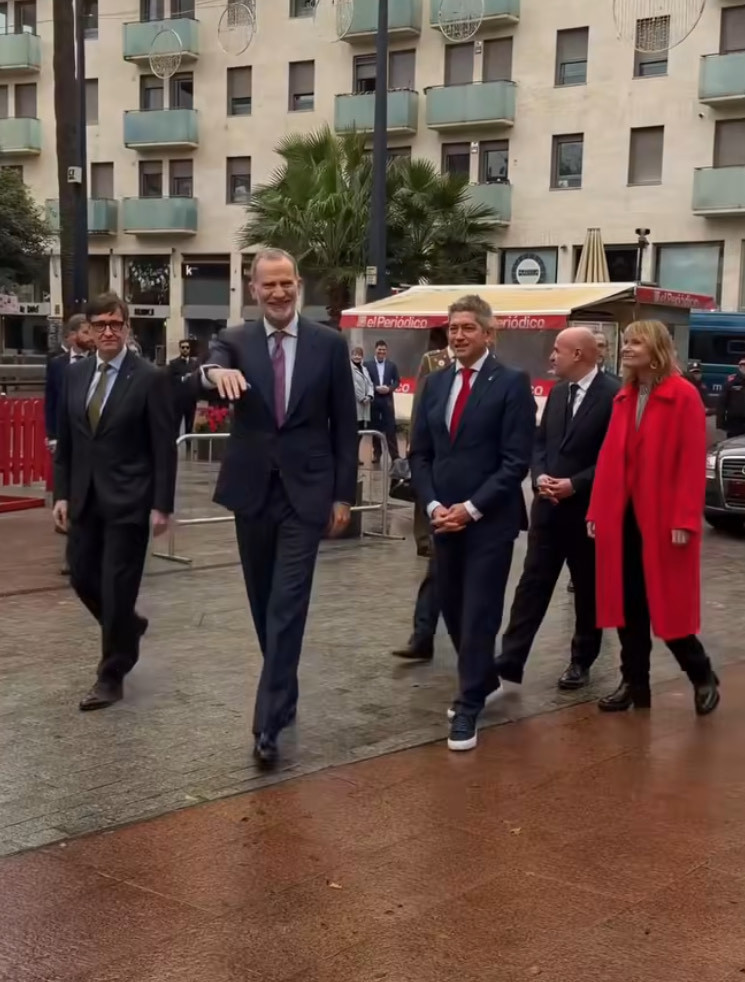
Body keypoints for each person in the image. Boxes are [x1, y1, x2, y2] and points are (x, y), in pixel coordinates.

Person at [199, 248, 357, 767]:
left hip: (306, 495)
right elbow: (210, 367)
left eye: (286, 282)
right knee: (262, 602)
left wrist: (343, 495)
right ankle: (284, 690)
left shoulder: (329, 344)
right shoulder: (235, 341)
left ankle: (266, 724)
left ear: (299, 285)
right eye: (268, 284)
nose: (278, 292)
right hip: (252, 493)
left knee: (287, 604)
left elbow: (344, 425)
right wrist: (214, 375)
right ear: (253, 289)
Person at [410, 294, 535, 752]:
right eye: (453, 328)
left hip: (489, 520)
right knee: (450, 605)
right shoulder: (436, 383)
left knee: (479, 610)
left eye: (467, 328)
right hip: (443, 519)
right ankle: (482, 678)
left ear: (488, 334)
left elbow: (515, 460)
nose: (458, 336)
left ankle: (467, 706)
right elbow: (420, 454)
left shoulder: (511, 383)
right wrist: (433, 506)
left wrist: (471, 508)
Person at [587, 319, 720, 716]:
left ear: (657, 349)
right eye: (626, 342)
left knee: (667, 603)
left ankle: (702, 674)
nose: (627, 348)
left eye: (636, 342)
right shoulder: (625, 395)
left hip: (663, 516)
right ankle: (634, 682)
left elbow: (691, 463)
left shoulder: (683, 395)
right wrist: (597, 510)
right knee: (627, 604)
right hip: (623, 514)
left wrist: (684, 519)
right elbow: (609, 458)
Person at [52, 292, 177, 711]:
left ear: (127, 328)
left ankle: (112, 674)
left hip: (130, 501)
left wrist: (162, 504)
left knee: (117, 587)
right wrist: (61, 494)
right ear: (88, 330)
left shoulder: (150, 378)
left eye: (116, 324)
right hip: (84, 499)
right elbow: (67, 442)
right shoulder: (75, 375)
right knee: (82, 577)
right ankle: (128, 626)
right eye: (100, 324)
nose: (108, 331)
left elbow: (164, 446)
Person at [495, 328, 620, 690]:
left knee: (588, 591)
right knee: (531, 585)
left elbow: (614, 458)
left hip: (587, 514)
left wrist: (575, 484)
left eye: (557, 350)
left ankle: (581, 661)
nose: (551, 357)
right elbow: (540, 442)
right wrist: (540, 477)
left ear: (578, 354)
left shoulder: (614, 395)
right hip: (548, 510)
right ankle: (509, 660)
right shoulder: (559, 391)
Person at [391, 335, 452, 660]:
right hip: (437, 462)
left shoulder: (496, 372)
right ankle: (423, 635)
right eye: (454, 328)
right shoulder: (434, 361)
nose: (459, 335)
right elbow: (420, 404)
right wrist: (415, 444)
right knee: (437, 566)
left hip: (473, 488)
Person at [364, 340, 400, 464]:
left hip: (387, 399)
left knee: (390, 427)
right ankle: (377, 454)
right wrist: (375, 388)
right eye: (379, 349)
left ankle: (395, 456)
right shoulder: (367, 365)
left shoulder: (392, 365)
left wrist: (389, 388)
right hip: (374, 398)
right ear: (375, 350)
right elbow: (365, 381)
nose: (382, 352)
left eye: (384, 350)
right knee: (375, 427)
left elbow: (397, 381)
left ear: (386, 351)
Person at [168, 338, 199, 438]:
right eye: (183, 347)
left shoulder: (195, 363)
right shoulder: (173, 363)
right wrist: (182, 378)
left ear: (190, 349)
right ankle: (175, 445)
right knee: (175, 426)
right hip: (178, 401)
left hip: (191, 400)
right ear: (180, 348)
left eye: (187, 347)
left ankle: (188, 446)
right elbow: (170, 379)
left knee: (189, 426)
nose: (185, 349)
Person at [350, 345, 375, 460]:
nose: (357, 357)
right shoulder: (349, 369)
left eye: (359, 355)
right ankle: (353, 457)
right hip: (356, 405)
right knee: (354, 434)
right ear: (351, 356)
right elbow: (353, 386)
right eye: (355, 354)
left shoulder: (364, 369)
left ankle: (355, 456)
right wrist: (361, 398)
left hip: (365, 404)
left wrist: (369, 395)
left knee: (360, 433)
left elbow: (370, 384)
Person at [716, 356, 745, 438]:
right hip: (734, 422)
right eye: (743, 365)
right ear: (739, 367)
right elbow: (722, 403)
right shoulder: (731, 383)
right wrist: (720, 422)